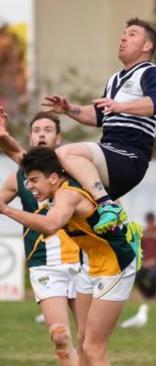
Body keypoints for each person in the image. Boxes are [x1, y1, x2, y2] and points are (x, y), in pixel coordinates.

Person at [0, 147, 141, 366]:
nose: (30, 187)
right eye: (28, 181)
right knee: (83, 340)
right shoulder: (58, 186)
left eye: (34, 181)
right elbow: (33, 164)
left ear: (54, 177)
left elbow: (50, 226)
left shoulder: (67, 195)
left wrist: (7, 210)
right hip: (90, 263)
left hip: (114, 265)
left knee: (94, 349)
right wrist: (6, 142)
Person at [42, 17, 156, 234]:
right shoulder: (115, 79)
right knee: (68, 191)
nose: (123, 38)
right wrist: (69, 109)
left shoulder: (151, 72)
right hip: (110, 152)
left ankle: (108, 204)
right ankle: (126, 234)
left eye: (132, 34)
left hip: (129, 155)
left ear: (147, 46)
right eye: (123, 33)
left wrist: (120, 106)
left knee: (65, 153)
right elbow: (99, 115)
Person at [0, 108, 80, 365]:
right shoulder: (18, 178)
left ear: (59, 138)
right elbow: (19, 159)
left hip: (84, 262)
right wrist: (4, 137)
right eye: (36, 130)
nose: (41, 135)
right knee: (59, 337)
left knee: (90, 341)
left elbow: (17, 154)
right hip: (44, 264)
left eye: (47, 130)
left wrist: (4, 138)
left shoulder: (73, 170)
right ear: (30, 137)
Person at [121, 211, 156, 328]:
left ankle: (152, 296)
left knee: (153, 275)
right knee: (136, 276)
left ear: (154, 220)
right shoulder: (144, 233)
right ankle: (148, 296)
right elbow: (140, 250)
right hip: (147, 263)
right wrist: (144, 261)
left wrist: (154, 260)